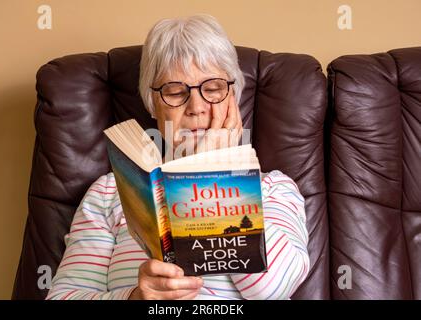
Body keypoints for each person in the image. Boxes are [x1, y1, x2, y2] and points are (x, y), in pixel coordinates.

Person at [46, 14, 310, 300]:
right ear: (153, 104)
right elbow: (62, 296)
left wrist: (217, 174)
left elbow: (273, 291)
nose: (196, 107)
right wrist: (133, 298)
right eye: (174, 91)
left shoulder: (274, 190)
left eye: (212, 89)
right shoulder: (109, 192)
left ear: (234, 98)